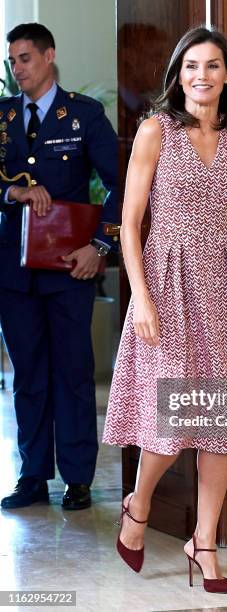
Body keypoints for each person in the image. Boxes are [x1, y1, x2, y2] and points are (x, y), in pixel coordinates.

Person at [102, 26, 227, 592]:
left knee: (223, 424)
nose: (201, 76)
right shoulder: (155, 132)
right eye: (191, 67)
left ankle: (204, 544)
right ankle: (139, 503)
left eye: (212, 66)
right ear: (177, 76)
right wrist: (142, 299)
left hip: (224, 287)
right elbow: (130, 226)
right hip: (167, 283)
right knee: (171, 418)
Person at [0, 23, 118, 510]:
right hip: (14, 271)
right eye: (12, 61)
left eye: (24, 58)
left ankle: (77, 478)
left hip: (71, 269)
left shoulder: (85, 116)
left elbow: (123, 187)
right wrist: (13, 191)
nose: (17, 69)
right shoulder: (2, 117)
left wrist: (100, 248)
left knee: (72, 371)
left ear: (49, 56)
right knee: (28, 373)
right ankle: (31, 477)